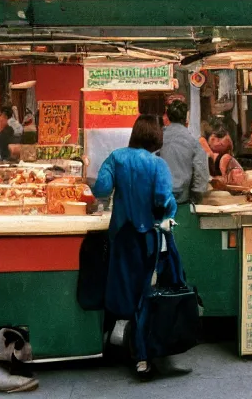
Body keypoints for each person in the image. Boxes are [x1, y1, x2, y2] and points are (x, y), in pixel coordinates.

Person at [91, 114, 190, 377]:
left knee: (123, 288)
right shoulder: (158, 165)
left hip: (121, 236)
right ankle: (143, 357)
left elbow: (101, 188)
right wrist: (168, 211)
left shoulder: (116, 157)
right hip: (148, 238)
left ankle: (113, 343)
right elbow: (163, 199)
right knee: (146, 294)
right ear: (156, 136)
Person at [159, 100, 209, 204]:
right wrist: (197, 194)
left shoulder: (158, 138)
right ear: (186, 118)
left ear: (168, 117)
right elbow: (201, 170)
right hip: (183, 199)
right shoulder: (193, 141)